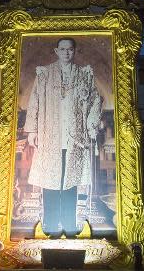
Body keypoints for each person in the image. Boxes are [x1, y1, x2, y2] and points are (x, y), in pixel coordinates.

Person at [24, 37, 102, 237]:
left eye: (70, 49)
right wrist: (32, 131)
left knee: (70, 182)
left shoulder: (84, 74)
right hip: (50, 136)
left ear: (74, 52)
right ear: (56, 51)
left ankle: (69, 225)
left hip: (74, 137)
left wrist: (92, 125)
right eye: (63, 49)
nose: (66, 52)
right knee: (51, 182)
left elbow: (95, 100)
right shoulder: (44, 74)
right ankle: (50, 226)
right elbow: (35, 101)